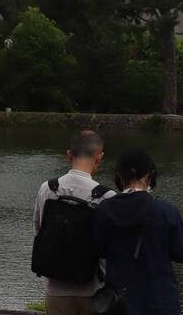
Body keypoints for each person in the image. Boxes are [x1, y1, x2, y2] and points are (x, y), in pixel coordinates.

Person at [93, 148, 183, 315]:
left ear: (119, 176)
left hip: (120, 302)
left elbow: (98, 250)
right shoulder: (165, 210)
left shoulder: (105, 209)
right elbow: (181, 253)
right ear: (150, 175)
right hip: (160, 301)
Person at [33, 130, 116, 315]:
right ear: (99, 157)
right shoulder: (107, 197)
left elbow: (38, 230)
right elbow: (111, 248)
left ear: (69, 155)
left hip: (55, 287)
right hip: (93, 290)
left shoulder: (48, 189)